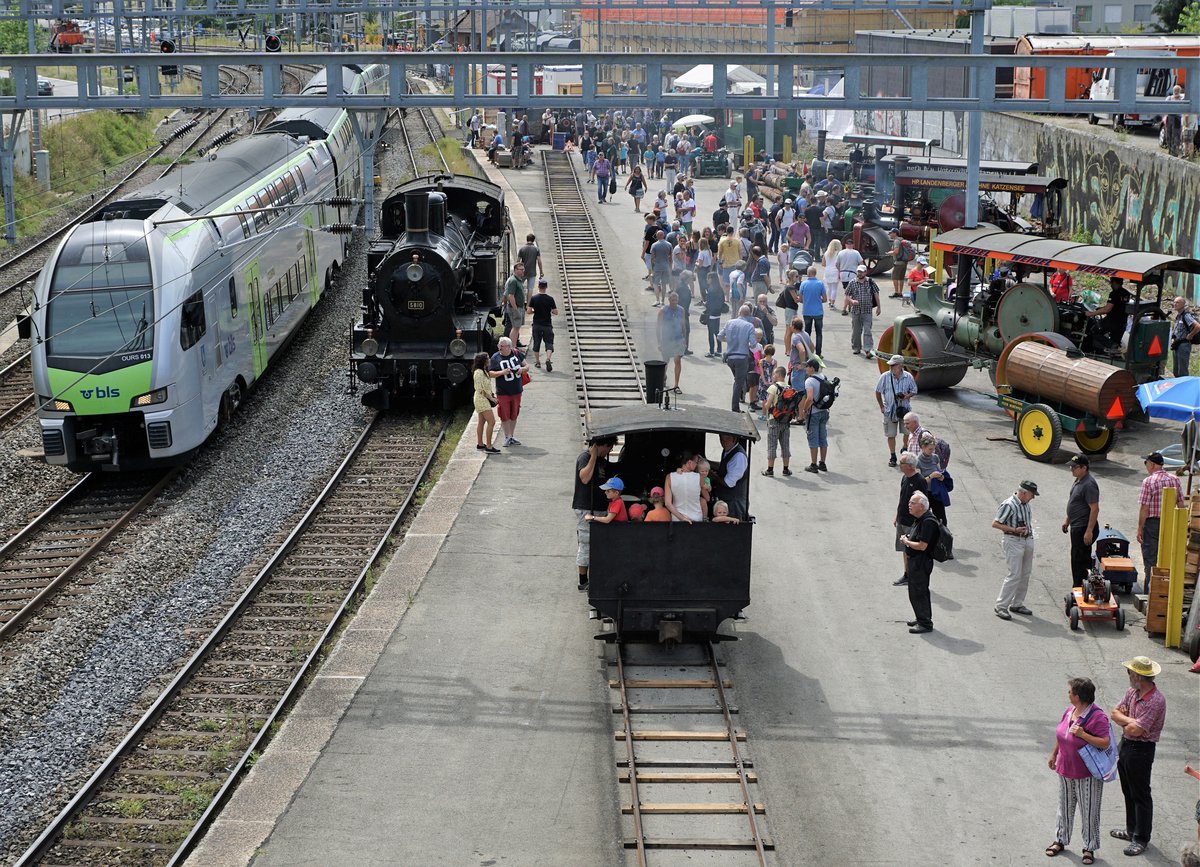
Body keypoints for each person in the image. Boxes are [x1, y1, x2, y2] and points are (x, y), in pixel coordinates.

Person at [1045, 677, 1110, 864]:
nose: (1068, 694)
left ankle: (1089, 848)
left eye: (1070, 692)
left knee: (1089, 811)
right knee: (1064, 806)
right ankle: (1060, 840)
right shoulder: (1070, 711)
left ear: (1078, 696)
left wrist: (1083, 734)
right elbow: (1062, 733)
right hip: (1065, 768)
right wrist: (1054, 754)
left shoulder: (1097, 716)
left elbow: (1105, 742)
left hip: (1087, 774)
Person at [1110, 656, 1167, 858]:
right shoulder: (1132, 692)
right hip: (1126, 745)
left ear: (1138, 676)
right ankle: (1131, 830)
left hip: (1141, 750)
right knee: (1128, 790)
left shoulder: (1156, 700)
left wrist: (1129, 723)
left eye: (1130, 672)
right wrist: (1131, 721)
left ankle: (1141, 838)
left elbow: (1136, 730)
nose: (1128, 676)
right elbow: (1114, 713)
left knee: (1140, 794)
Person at [573, 435, 616, 590]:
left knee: (599, 545)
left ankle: (596, 577)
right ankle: (583, 580)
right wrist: (593, 456)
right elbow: (584, 478)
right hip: (587, 507)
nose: (609, 451)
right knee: (586, 544)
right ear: (600, 446)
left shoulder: (603, 462)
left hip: (600, 508)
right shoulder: (585, 458)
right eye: (608, 448)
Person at [992, 480, 1038, 620]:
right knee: (1014, 574)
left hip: (1026, 540)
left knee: (1025, 574)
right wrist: (1014, 530)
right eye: (1032, 494)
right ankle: (1001, 606)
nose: (1033, 498)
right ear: (1023, 493)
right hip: (1013, 540)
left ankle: (1017, 603)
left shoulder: (1025, 504)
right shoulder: (1009, 505)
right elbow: (995, 523)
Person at [898, 491, 939, 634]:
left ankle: (925, 623)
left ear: (921, 506)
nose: (909, 505)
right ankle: (921, 617)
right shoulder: (921, 518)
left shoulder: (928, 522)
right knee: (916, 592)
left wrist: (906, 542)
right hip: (916, 561)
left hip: (921, 562)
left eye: (912, 503)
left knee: (918, 592)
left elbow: (922, 546)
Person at [1137, 451, 1182, 577]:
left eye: (1146, 464)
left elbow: (1144, 508)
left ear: (1151, 464)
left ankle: (1150, 591)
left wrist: (1140, 528)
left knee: (1150, 559)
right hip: (1171, 522)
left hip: (1152, 524)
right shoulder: (1175, 480)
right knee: (1168, 556)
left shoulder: (1149, 481)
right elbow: (1181, 504)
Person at [1063, 454, 1100, 589]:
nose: (1071, 469)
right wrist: (1068, 519)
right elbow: (1075, 501)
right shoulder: (1079, 480)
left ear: (1084, 468)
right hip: (1076, 525)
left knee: (1081, 560)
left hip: (1084, 527)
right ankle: (1078, 585)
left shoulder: (1089, 484)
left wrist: (1089, 531)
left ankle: (1081, 587)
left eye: (1074, 467)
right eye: (1071, 467)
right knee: (1076, 557)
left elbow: (1094, 509)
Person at [893, 452, 930, 587]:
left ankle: (915, 577)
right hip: (902, 521)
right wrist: (897, 516)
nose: (899, 465)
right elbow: (902, 498)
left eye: (901, 463)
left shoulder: (919, 481)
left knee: (912, 551)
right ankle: (907, 575)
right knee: (904, 549)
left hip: (912, 523)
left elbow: (924, 504)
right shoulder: (904, 478)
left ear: (909, 466)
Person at [876, 355, 918, 467]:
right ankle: (893, 456)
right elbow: (878, 391)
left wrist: (906, 396)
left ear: (900, 366)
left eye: (893, 365)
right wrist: (882, 407)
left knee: (907, 433)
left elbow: (914, 390)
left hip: (905, 411)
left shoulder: (908, 377)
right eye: (890, 365)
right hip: (890, 411)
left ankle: (905, 447)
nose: (890, 366)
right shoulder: (885, 376)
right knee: (891, 434)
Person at [488, 337, 528, 447]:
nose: (500, 348)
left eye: (502, 346)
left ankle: (511, 435)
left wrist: (522, 369)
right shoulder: (495, 357)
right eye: (499, 346)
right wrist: (502, 372)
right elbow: (490, 373)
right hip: (503, 391)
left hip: (516, 389)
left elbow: (527, 366)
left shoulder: (516, 353)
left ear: (509, 347)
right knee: (504, 414)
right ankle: (507, 436)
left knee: (514, 413)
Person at [718, 306, 758, 413]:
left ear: (739, 312)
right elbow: (753, 344)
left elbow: (719, 337)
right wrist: (745, 343)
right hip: (742, 358)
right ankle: (735, 408)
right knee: (738, 382)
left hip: (730, 358)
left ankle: (737, 400)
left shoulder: (729, 322)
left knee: (737, 381)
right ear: (749, 315)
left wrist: (730, 341)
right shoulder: (749, 326)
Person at [799, 357, 830, 474]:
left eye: (807, 366)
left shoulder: (809, 381)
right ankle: (822, 463)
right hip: (824, 411)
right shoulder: (824, 377)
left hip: (814, 413)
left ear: (812, 368)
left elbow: (810, 398)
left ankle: (813, 464)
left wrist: (804, 410)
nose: (806, 368)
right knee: (823, 438)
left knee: (813, 439)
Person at [761, 366, 792, 477]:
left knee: (772, 445)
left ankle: (770, 470)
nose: (773, 376)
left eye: (774, 374)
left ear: (778, 375)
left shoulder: (773, 388)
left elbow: (768, 404)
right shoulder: (789, 388)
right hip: (785, 421)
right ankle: (786, 469)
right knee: (785, 445)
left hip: (774, 420)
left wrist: (765, 406)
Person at [1085, 278, 1131, 352]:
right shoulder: (1126, 293)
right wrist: (1101, 308)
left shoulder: (1114, 293)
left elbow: (1107, 309)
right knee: (1115, 341)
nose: (1110, 285)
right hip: (1122, 322)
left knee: (1094, 331)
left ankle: (1103, 348)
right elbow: (1118, 306)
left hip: (1112, 321)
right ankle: (1113, 352)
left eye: (1111, 283)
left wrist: (1091, 313)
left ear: (1115, 282)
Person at [845, 264, 881, 357]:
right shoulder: (852, 282)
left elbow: (876, 294)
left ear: (865, 272)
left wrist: (879, 307)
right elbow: (847, 295)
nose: (859, 273)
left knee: (867, 331)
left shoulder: (870, 282)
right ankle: (856, 348)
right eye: (858, 271)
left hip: (867, 310)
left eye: (861, 272)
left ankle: (868, 350)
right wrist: (852, 301)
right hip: (856, 311)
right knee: (856, 331)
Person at [712, 433, 749, 520]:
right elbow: (725, 466)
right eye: (722, 439)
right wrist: (707, 462)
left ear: (734, 438)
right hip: (725, 502)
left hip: (734, 505)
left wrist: (713, 476)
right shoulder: (728, 449)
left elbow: (729, 483)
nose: (724, 442)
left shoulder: (739, 456)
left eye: (727, 439)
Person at [527, 278, 559, 372]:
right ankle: (548, 359)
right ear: (546, 287)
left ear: (538, 287)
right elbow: (556, 312)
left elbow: (528, 311)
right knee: (549, 343)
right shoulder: (550, 299)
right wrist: (551, 311)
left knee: (536, 343)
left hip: (537, 324)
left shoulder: (534, 298)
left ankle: (537, 362)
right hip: (547, 325)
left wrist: (534, 311)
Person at [915, 433, 948, 523]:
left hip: (936, 492)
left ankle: (942, 535)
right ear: (922, 447)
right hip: (925, 494)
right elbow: (919, 482)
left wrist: (941, 477)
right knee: (924, 519)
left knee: (941, 519)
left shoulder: (935, 458)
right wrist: (931, 476)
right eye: (930, 449)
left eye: (933, 449)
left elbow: (939, 470)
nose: (932, 451)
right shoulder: (917, 461)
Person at [472, 352, 501, 454]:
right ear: (483, 361)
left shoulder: (483, 371)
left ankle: (480, 444)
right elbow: (480, 389)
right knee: (491, 422)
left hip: (482, 399)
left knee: (482, 422)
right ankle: (489, 446)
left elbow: (486, 387)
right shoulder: (479, 372)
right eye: (487, 358)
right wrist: (491, 398)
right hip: (482, 400)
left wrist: (492, 395)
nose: (489, 360)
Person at [657, 291, 687, 390]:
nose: (674, 302)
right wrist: (659, 342)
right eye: (673, 300)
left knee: (677, 360)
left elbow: (683, 325)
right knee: (665, 361)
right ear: (669, 300)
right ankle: (663, 377)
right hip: (666, 339)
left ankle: (676, 384)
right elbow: (658, 327)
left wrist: (685, 340)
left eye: (676, 300)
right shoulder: (663, 311)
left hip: (678, 339)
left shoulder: (681, 310)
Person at [664, 451, 704, 523]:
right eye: (696, 462)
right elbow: (706, 497)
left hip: (677, 519)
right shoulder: (700, 477)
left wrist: (682, 518)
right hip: (696, 518)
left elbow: (667, 503)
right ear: (689, 462)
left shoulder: (669, 477)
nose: (696, 465)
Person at [799, 265, 826, 356]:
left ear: (809, 273)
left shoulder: (803, 284)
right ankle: (818, 353)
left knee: (807, 333)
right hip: (818, 311)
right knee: (819, 333)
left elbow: (801, 299)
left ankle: (807, 352)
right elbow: (825, 299)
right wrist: (818, 300)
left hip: (807, 311)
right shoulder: (820, 283)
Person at [1171, 296, 1200, 378]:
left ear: (1183, 305)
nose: (1175, 304)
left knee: (1182, 371)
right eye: (1174, 302)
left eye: (1177, 302)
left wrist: (1190, 335)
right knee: (1176, 370)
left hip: (1183, 345)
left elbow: (1197, 326)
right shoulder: (1178, 316)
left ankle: (1184, 388)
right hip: (1177, 344)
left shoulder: (1186, 315)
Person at [503, 262, 527, 346]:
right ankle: (512, 347)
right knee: (515, 328)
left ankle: (514, 346)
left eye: (523, 269)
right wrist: (515, 309)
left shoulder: (518, 279)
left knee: (517, 327)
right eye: (521, 269)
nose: (523, 271)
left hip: (519, 307)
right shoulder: (513, 280)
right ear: (516, 270)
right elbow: (510, 295)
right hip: (515, 308)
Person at [703, 271, 725, 358]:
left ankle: (711, 352)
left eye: (708, 278)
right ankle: (719, 350)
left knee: (710, 333)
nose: (707, 280)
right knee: (717, 332)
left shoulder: (710, 290)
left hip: (711, 314)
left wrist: (705, 303)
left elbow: (709, 303)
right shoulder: (720, 289)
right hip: (718, 314)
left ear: (711, 279)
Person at [649, 230, 673, 307]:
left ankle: (657, 300)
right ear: (663, 235)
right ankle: (663, 301)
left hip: (657, 267)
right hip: (666, 267)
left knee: (655, 283)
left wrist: (652, 269)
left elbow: (652, 258)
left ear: (657, 236)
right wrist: (670, 267)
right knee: (664, 284)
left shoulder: (654, 245)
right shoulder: (669, 245)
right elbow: (670, 258)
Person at [822, 239, 842, 311]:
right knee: (834, 288)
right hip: (835, 271)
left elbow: (823, 264)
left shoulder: (826, 253)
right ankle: (832, 303)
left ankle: (829, 301)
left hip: (827, 270)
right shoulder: (839, 253)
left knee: (829, 288)